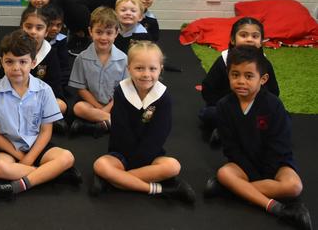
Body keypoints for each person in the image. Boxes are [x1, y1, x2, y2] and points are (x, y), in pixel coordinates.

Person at [204, 45, 311, 230]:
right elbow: (231, 148)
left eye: (248, 76)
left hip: (276, 164)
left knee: (294, 186)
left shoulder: (274, 106)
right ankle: (277, 208)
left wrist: (262, 174)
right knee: (225, 173)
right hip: (243, 164)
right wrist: (251, 173)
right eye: (235, 75)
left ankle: (232, 190)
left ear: (263, 79)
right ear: (228, 75)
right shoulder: (223, 106)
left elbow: (279, 147)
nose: (241, 81)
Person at [0, 30, 81, 201]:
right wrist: (20, 157)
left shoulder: (44, 90)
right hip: (7, 148)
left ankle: (17, 185)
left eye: (23, 62)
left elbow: (46, 131)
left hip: (36, 145)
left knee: (67, 157)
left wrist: (29, 158)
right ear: (1, 61)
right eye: (9, 62)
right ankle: (53, 175)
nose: (16, 68)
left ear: (33, 63)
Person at [90, 41, 195, 204]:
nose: (146, 74)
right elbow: (120, 130)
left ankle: (112, 183)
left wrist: (135, 165)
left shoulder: (164, 97)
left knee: (173, 166)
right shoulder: (121, 92)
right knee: (101, 165)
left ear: (160, 69)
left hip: (150, 155)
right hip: (121, 153)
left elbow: (159, 134)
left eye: (152, 68)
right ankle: (159, 189)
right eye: (139, 68)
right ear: (129, 69)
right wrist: (132, 164)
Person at [199, 17, 279, 141]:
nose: (249, 39)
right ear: (233, 39)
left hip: (254, 109)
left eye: (255, 36)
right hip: (229, 107)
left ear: (261, 41)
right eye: (243, 35)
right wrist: (223, 105)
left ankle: (238, 130)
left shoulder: (263, 63)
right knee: (207, 114)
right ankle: (233, 129)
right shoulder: (224, 60)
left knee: (280, 115)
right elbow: (209, 88)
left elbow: (273, 91)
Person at [69, 7, 127, 137]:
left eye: (109, 33)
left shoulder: (123, 59)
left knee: (129, 110)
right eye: (99, 32)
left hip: (115, 105)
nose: (103, 37)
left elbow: (125, 90)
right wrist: (99, 107)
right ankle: (112, 123)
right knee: (78, 108)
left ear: (116, 33)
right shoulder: (82, 58)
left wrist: (107, 108)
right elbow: (81, 89)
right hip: (91, 104)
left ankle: (91, 126)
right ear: (90, 31)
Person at [20, 6, 68, 131]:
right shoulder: (13, 49)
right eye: (28, 27)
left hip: (41, 99)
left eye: (39, 28)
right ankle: (44, 121)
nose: (33, 31)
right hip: (17, 97)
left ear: (46, 32)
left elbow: (56, 87)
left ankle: (31, 120)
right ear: (22, 27)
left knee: (61, 105)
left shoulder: (50, 53)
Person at [42, 4, 69, 88]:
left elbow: (64, 67)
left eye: (58, 25)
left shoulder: (61, 40)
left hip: (55, 82)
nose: (55, 28)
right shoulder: (37, 41)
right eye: (51, 24)